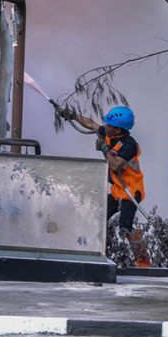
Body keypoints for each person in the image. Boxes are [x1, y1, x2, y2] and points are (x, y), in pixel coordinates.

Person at [57, 104, 150, 267]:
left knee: (125, 226)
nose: (105, 126)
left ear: (119, 130)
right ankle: (92, 252)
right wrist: (72, 116)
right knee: (98, 217)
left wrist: (105, 148)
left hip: (131, 190)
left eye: (109, 125)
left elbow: (115, 166)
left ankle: (143, 262)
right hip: (117, 190)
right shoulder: (109, 133)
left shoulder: (129, 145)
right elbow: (90, 124)